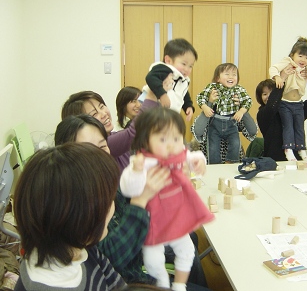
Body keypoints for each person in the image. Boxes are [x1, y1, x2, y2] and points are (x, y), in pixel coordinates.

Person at [54, 114, 209, 290]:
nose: (99, 154)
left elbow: (132, 199)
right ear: (68, 154)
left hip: (136, 251)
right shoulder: (77, 202)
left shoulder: (105, 180)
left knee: (189, 238)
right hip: (130, 280)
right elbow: (112, 258)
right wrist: (141, 200)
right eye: (88, 148)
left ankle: (189, 283)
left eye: (102, 146)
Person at [120, 107, 215, 291]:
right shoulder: (142, 161)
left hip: (176, 216)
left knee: (187, 251)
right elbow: (128, 188)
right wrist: (137, 172)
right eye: (163, 139)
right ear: (145, 140)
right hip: (152, 222)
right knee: (153, 261)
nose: (171, 145)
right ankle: (162, 284)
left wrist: (198, 160)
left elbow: (192, 156)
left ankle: (179, 285)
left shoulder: (179, 154)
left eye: (176, 138)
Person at [13, 143, 126, 290]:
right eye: (108, 200)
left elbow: (116, 283)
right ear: (79, 216)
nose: (113, 206)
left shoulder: (77, 246)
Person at [269, 37, 307, 161]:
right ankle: (288, 149)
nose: (303, 60)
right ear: (292, 55)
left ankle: (302, 149)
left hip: (298, 104)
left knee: (299, 127)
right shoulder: (287, 62)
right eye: (300, 56)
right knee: (288, 126)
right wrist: (278, 77)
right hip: (285, 103)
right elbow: (273, 68)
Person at [257, 65, 307, 161]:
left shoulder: (294, 110)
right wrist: (281, 79)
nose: (269, 97)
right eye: (264, 94)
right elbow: (271, 107)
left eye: (272, 92)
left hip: (296, 161)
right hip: (274, 162)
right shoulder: (263, 113)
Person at [195, 63, 254, 164]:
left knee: (235, 143)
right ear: (218, 78)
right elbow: (200, 97)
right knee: (213, 146)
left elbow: (248, 101)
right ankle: (215, 165)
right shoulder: (212, 87)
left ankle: (230, 162)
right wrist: (206, 106)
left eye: (234, 74)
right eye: (227, 74)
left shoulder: (239, 89)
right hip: (215, 123)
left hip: (231, 123)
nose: (231, 77)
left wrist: (241, 110)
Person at [142, 38, 197, 121]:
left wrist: (188, 106)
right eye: (184, 64)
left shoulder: (182, 79)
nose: (187, 69)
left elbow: (183, 93)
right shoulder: (164, 69)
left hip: (166, 114)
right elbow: (151, 78)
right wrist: (162, 95)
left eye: (190, 66)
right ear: (168, 60)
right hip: (151, 110)